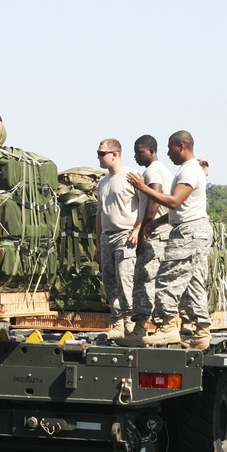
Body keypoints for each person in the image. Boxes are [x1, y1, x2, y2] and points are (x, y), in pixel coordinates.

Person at [127, 131, 213, 349]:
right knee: (193, 284)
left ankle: (167, 328)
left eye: (170, 148)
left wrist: (143, 188)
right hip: (194, 229)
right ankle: (202, 332)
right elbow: (182, 208)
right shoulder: (189, 169)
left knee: (168, 277)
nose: (168, 153)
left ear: (182, 146)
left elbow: (174, 201)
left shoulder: (188, 170)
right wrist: (158, 222)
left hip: (188, 233)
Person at [118, 135, 173, 347]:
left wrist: (143, 233)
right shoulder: (161, 170)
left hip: (155, 234)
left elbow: (153, 200)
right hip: (159, 232)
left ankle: (140, 330)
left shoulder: (152, 171)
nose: (136, 156)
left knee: (143, 279)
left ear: (151, 151)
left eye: (139, 151)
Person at [94, 138, 143, 339]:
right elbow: (99, 214)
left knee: (125, 280)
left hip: (126, 235)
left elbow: (146, 205)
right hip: (107, 236)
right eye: (98, 153)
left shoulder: (132, 176)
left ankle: (130, 324)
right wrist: (97, 242)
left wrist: (137, 230)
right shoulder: (103, 182)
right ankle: (117, 323)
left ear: (115, 154)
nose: (98, 156)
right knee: (110, 281)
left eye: (102, 153)